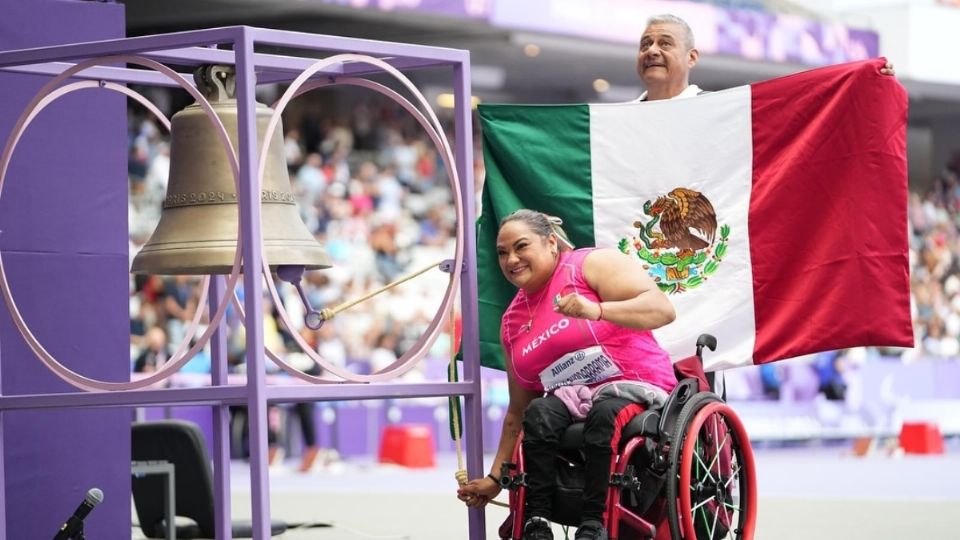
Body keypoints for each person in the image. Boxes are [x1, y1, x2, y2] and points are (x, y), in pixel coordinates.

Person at [457, 209, 678, 540]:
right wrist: (494, 480)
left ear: (550, 243)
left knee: (605, 414)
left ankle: (594, 523)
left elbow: (663, 310)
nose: (511, 259)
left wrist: (598, 310)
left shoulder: (588, 265)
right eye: (502, 253)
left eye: (521, 247)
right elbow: (517, 413)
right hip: (572, 400)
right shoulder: (511, 322)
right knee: (539, 413)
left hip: (634, 387)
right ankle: (537, 521)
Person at [633, 13, 895, 103]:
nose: (652, 50)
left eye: (664, 43)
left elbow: (804, 108)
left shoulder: (719, 110)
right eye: (645, 44)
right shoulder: (612, 123)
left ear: (692, 57)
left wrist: (864, 84)